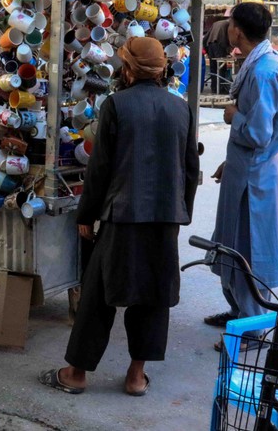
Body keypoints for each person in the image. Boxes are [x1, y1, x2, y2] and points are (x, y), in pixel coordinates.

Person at [39, 37, 199, 396]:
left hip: (122, 215)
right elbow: (190, 169)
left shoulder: (116, 105)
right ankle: (136, 376)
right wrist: (180, 212)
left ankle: (77, 373)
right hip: (165, 218)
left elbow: (100, 169)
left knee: (99, 293)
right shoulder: (181, 109)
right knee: (153, 296)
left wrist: (87, 213)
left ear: (127, 70)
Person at [204, 2, 278, 348]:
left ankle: (252, 328)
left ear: (237, 30)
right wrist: (231, 162)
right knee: (232, 242)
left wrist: (232, 117)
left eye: (229, 25)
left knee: (246, 248)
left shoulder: (262, 71)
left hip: (254, 177)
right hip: (248, 169)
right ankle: (238, 310)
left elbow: (258, 133)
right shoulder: (267, 62)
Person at [204, 12, 232, 95]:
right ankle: (220, 89)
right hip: (218, 44)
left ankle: (214, 88)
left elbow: (206, 37)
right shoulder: (228, 24)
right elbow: (226, 38)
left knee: (213, 67)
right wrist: (227, 50)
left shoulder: (217, 23)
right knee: (221, 67)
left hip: (210, 44)